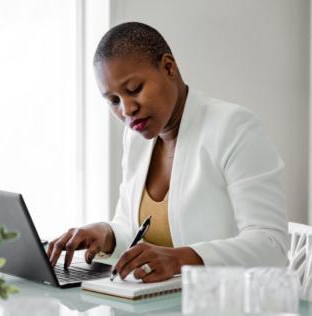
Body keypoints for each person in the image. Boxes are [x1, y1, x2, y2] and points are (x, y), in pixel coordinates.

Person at [47, 22, 288, 283]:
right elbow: (134, 230)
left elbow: (271, 245)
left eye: (134, 89)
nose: (127, 110)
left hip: (227, 303)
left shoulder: (234, 127)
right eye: (114, 100)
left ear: (169, 67)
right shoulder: (136, 139)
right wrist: (106, 235)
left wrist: (179, 259)